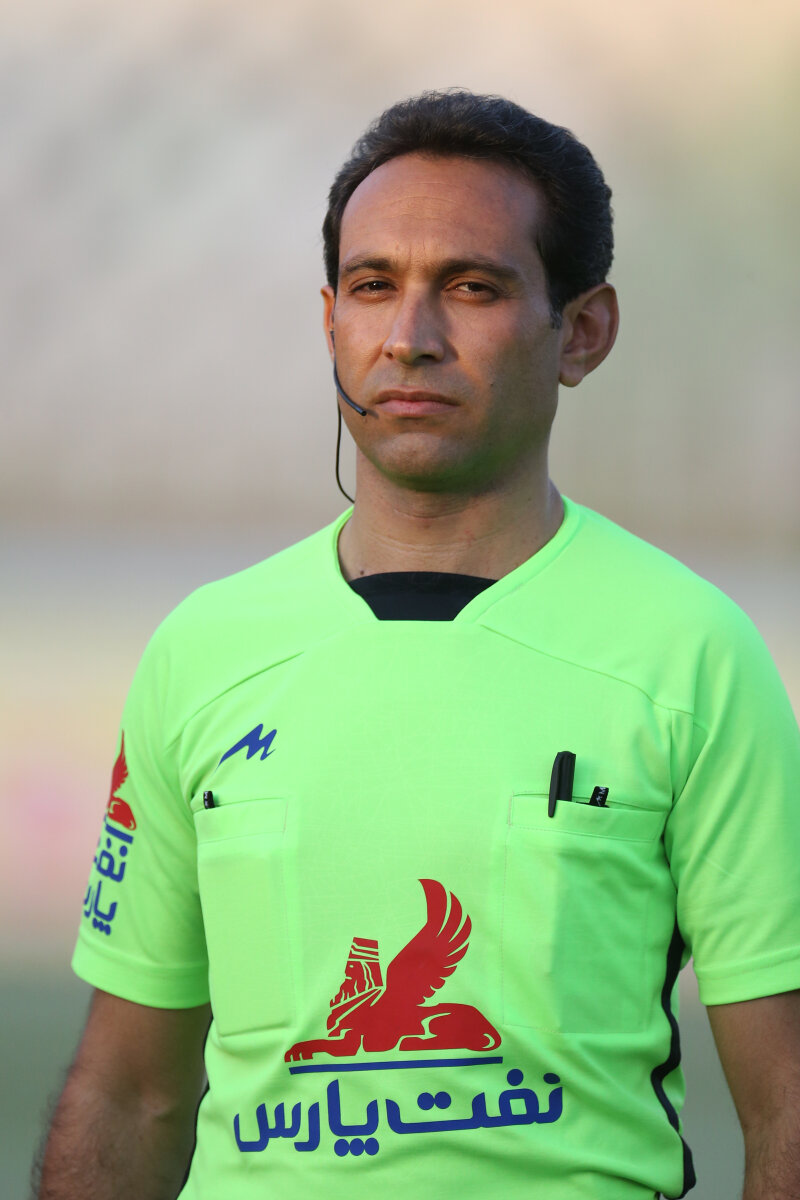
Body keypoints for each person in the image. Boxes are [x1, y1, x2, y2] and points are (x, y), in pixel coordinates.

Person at [36, 90, 800, 1200]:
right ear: (330, 320)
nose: (409, 337)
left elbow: (784, 1100)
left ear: (582, 331)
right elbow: (127, 1093)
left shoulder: (690, 655)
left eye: (472, 287)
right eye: (371, 286)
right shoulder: (202, 651)